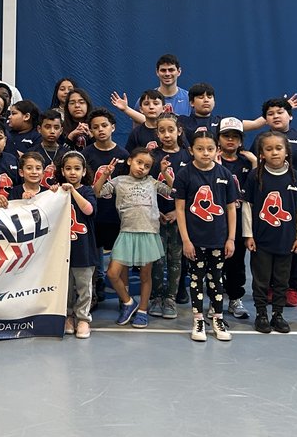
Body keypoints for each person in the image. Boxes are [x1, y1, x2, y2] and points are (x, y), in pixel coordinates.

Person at [94, 147, 173, 329]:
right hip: (126, 232)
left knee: (146, 275)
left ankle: (143, 311)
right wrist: (105, 175)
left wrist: (163, 172)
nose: (142, 168)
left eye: (147, 166)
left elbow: (170, 190)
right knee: (112, 273)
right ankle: (129, 303)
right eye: (139, 163)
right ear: (130, 161)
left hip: (148, 232)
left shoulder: (152, 182)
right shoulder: (118, 181)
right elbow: (97, 192)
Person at [173, 132, 240, 344]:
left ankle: (218, 318)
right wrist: (186, 240)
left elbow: (231, 209)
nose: (205, 153)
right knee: (196, 278)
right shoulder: (184, 174)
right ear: (191, 150)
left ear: (217, 150)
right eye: (200, 149)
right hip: (195, 240)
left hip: (218, 239)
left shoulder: (225, 174)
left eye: (210, 149)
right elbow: (180, 209)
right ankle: (198, 319)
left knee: (216, 278)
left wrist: (230, 238)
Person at [252, 97, 297, 307]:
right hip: (268, 205)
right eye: (270, 114)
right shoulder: (260, 139)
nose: (275, 116)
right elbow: (254, 167)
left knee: (295, 248)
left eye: (280, 112)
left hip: (294, 201)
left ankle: (292, 288)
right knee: (266, 250)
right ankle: (269, 287)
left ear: (290, 115)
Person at [242, 131, 297, 335]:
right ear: (261, 153)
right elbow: (247, 206)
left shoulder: (296, 177)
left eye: (278, 148)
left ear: (287, 152)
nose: (274, 153)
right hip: (261, 240)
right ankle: (261, 313)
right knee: (261, 279)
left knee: (282, 279)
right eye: (268, 149)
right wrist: (248, 235)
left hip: (286, 240)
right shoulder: (255, 176)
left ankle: (277, 314)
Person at [82, 108, 129, 307]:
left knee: (121, 259)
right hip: (94, 215)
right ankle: (92, 295)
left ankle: (123, 297)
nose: (100, 130)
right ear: (90, 131)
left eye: (104, 126)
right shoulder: (86, 154)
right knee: (93, 258)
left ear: (113, 127)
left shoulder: (123, 154)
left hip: (117, 215)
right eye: (95, 127)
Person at [148, 113, 191, 319]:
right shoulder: (152, 158)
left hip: (178, 218)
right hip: (154, 217)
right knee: (157, 260)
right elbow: (144, 186)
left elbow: (193, 190)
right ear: (156, 133)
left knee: (175, 260)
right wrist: (155, 212)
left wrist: (177, 211)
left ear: (179, 131)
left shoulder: (188, 156)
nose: (166, 134)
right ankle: (156, 297)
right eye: (162, 131)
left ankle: (170, 298)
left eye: (171, 130)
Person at [215, 118, 257, 321]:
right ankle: (215, 301)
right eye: (226, 136)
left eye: (235, 137)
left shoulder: (247, 162)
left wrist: (256, 164)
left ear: (241, 140)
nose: (230, 140)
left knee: (236, 263)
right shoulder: (211, 160)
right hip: (214, 222)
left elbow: (257, 189)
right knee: (213, 264)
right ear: (219, 139)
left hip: (238, 222)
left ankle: (234, 299)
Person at [57, 150, 98, 340]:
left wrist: (73, 191)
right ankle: (68, 316)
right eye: (68, 169)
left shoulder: (87, 191)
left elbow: (88, 210)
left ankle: (83, 318)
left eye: (77, 169)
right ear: (62, 171)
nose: (72, 172)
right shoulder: (57, 192)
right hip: (62, 250)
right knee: (65, 286)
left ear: (83, 172)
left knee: (84, 286)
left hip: (84, 249)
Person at [36, 109, 67, 183]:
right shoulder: (32, 153)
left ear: (61, 131)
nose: (52, 131)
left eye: (56, 128)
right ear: (39, 129)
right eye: (47, 127)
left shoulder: (67, 154)